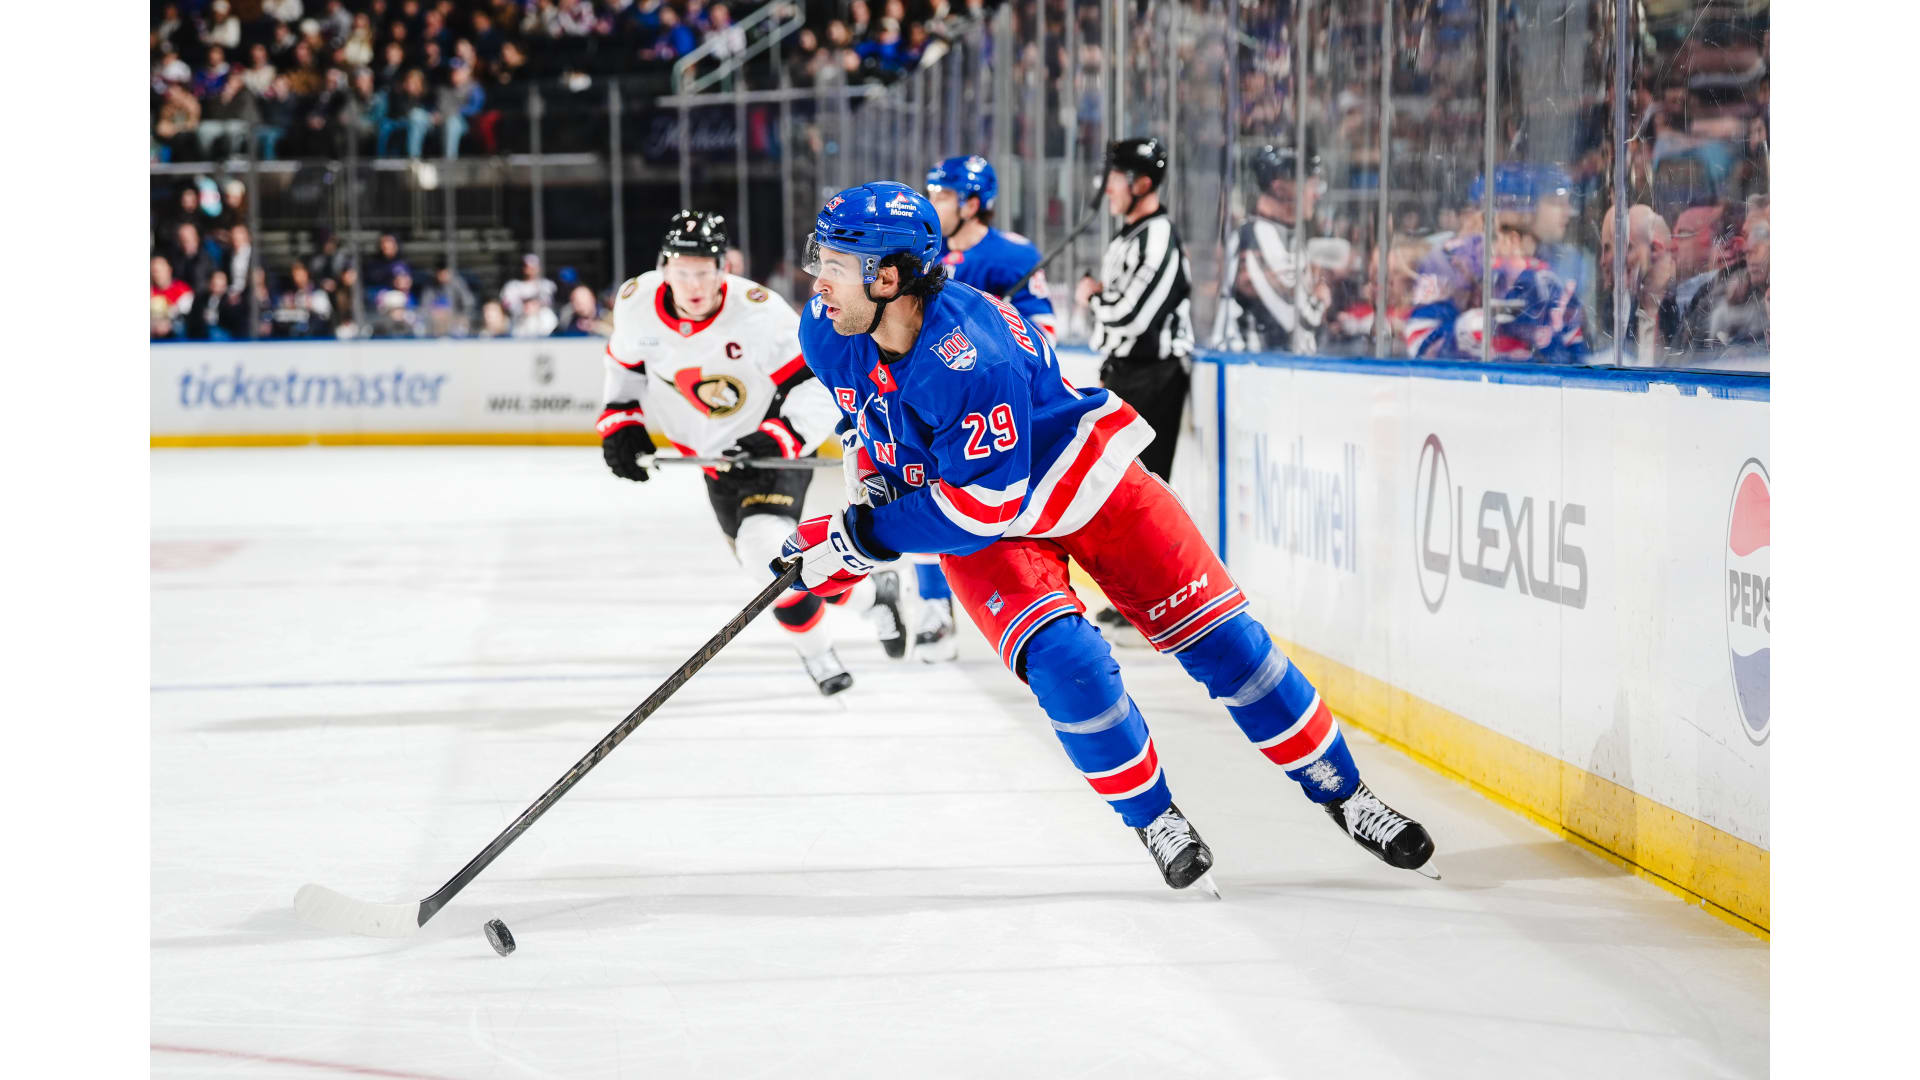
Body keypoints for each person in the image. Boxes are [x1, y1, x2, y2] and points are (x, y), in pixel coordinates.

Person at [779, 180, 1437, 891]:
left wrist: (861, 535)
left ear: (889, 278)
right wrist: (859, 513)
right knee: (1069, 664)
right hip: (981, 510)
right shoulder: (827, 327)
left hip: (1076, 480)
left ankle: (1347, 794)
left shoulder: (973, 357)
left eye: (836, 265)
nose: (819, 280)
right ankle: (1156, 819)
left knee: (1229, 646)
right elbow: (865, 426)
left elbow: (983, 505)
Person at [597, 211, 907, 696]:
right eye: (683, 271)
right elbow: (624, 368)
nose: (694, 284)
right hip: (713, 460)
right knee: (774, 561)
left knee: (766, 552)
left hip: (772, 450)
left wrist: (779, 437)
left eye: (704, 271)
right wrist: (620, 422)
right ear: (664, 267)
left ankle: (818, 654)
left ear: (724, 267)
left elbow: (817, 385)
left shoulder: (759, 312)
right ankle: (872, 597)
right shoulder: (637, 302)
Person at [1074, 137, 1192, 484]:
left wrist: (1091, 298)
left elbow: (1133, 317)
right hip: (1127, 373)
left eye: (1115, 178)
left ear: (1140, 184)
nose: (1107, 188)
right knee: (1113, 484)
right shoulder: (1130, 235)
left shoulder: (1158, 237)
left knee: (1141, 485)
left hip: (1154, 379)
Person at [1217, 143, 1332, 354]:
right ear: (1280, 188)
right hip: (1252, 368)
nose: (1316, 195)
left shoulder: (1286, 235)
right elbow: (1299, 319)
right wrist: (1320, 298)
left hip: (1273, 367)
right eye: (1309, 185)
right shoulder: (1257, 236)